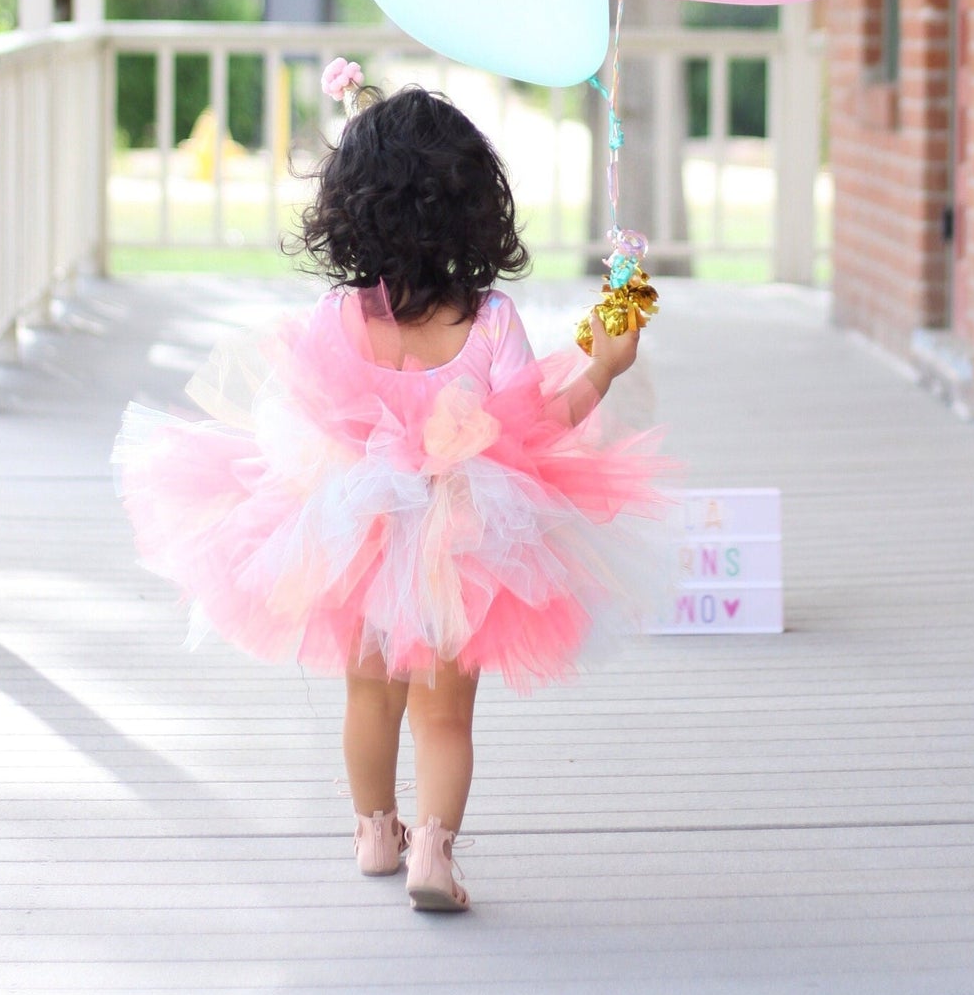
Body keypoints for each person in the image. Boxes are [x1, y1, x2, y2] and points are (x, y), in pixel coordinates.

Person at [113, 61, 670, 913]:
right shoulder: (489, 323)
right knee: (444, 714)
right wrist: (602, 367)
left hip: (358, 534)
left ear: (352, 209)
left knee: (367, 693)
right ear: (473, 209)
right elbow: (537, 427)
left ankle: (376, 830)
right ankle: (434, 853)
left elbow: (295, 419)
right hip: (465, 544)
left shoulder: (335, 318)